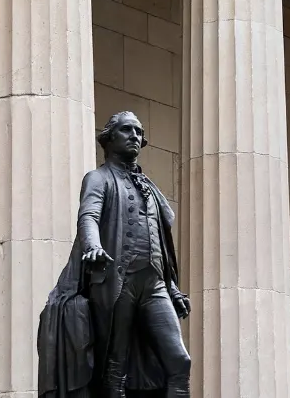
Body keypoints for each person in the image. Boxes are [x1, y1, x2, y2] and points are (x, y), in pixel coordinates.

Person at [37, 111, 191, 398]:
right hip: (118, 281)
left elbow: (161, 242)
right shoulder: (98, 178)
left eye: (139, 131)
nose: (135, 136)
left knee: (179, 361)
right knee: (115, 367)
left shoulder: (149, 188)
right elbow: (89, 216)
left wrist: (172, 287)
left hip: (154, 284)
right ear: (109, 139)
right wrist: (93, 246)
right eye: (127, 130)